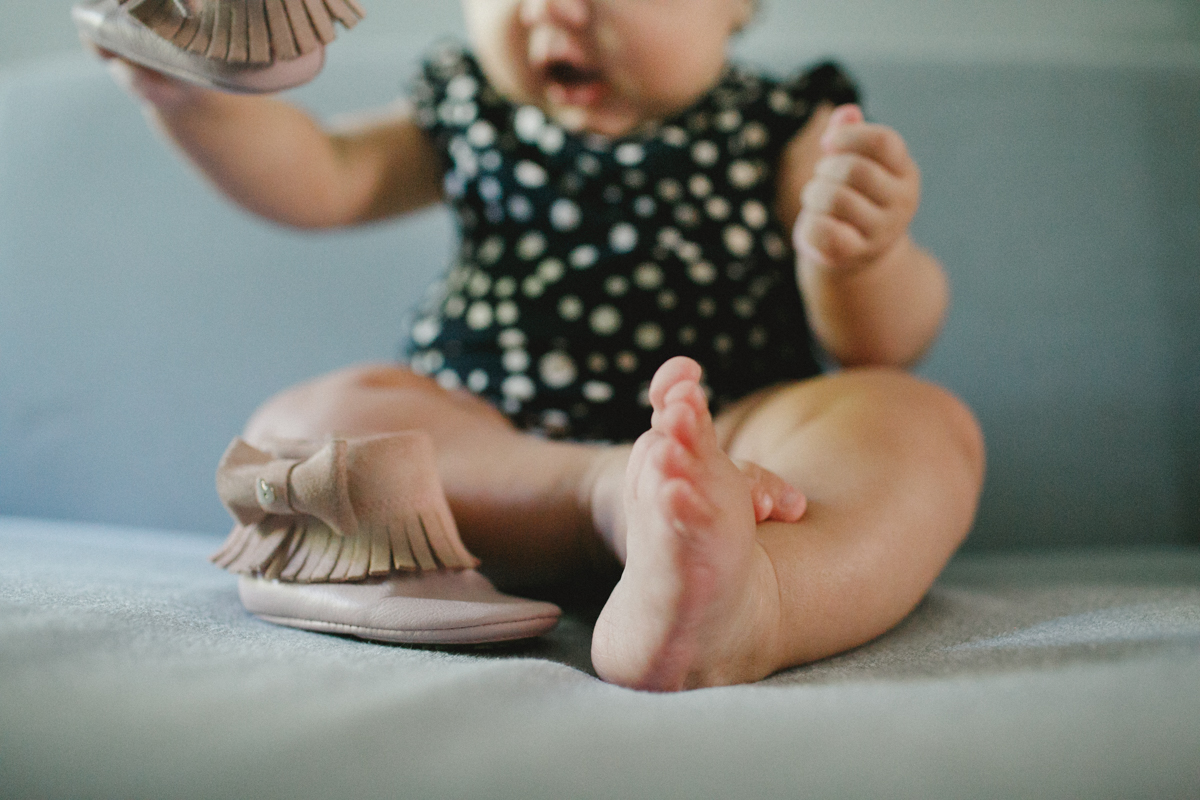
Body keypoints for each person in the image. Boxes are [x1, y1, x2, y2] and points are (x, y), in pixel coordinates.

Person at [94, 0, 985, 691]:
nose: (553, 8)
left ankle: (759, 601)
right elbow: (326, 175)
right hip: (493, 460)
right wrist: (189, 96)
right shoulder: (470, 107)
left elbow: (885, 345)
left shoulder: (784, 126)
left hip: (740, 454)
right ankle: (609, 500)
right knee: (312, 420)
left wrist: (860, 255)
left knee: (915, 421)